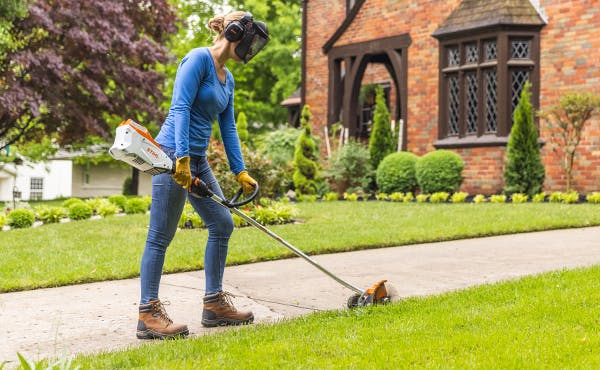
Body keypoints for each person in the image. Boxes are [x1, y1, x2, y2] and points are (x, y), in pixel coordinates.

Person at [136, 11, 269, 340]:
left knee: (223, 223)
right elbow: (179, 108)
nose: (251, 50)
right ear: (236, 33)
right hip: (171, 155)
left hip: (196, 160)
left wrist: (240, 171)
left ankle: (213, 305)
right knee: (160, 236)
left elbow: (229, 126)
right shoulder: (197, 60)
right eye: (250, 42)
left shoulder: (229, 79)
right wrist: (180, 158)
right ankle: (148, 314)